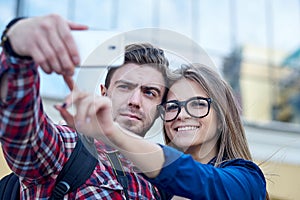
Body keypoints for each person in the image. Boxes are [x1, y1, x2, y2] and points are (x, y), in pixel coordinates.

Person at [0, 14, 171, 199]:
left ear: (159, 109)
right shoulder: (68, 147)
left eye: (149, 92)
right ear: (104, 93)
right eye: (125, 86)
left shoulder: (159, 182)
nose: (135, 101)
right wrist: (16, 49)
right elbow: (22, 132)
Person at [66, 63, 268, 199]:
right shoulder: (149, 186)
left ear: (223, 117)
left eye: (197, 104)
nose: (181, 115)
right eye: (172, 107)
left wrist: (113, 132)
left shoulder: (248, 180)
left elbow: (201, 180)